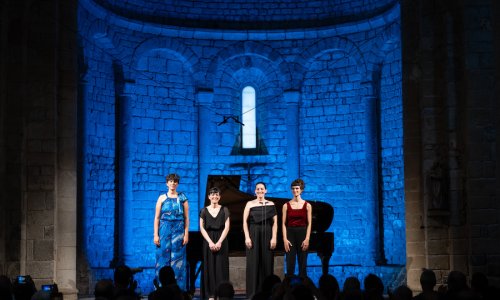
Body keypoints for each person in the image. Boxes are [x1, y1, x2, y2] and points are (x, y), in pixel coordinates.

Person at [154, 173, 190, 290]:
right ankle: (161, 288)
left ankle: (178, 290)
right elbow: (157, 218)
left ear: (177, 184)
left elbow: (186, 218)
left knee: (178, 259)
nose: (173, 183)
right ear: (167, 183)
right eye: (170, 181)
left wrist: (186, 234)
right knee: (162, 257)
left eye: (175, 181)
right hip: (164, 229)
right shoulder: (161, 198)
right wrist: (156, 235)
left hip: (179, 229)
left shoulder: (182, 198)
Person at [243, 182, 277, 299]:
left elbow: (275, 223)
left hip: (267, 233)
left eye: (262, 189)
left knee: (267, 263)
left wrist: (274, 237)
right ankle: (252, 294)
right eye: (258, 189)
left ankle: (268, 293)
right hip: (253, 233)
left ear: (266, 191)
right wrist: (247, 237)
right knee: (253, 263)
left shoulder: (271, 204)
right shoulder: (249, 204)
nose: (260, 191)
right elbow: (244, 222)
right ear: (255, 191)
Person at [199, 187, 230, 300]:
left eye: (217, 194)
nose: (214, 196)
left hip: (222, 239)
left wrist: (220, 242)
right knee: (209, 267)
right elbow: (202, 228)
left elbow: (227, 227)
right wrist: (210, 242)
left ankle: (222, 294)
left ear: (219, 197)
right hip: (208, 240)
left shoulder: (224, 209)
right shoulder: (204, 210)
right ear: (209, 197)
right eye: (212, 194)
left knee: (221, 267)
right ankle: (210, 294)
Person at [282, 178, 312, 278]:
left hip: (302, 233)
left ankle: (303, 289)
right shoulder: (286, 205)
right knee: (290, 264)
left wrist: (307, 239)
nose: (295, 190)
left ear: (301, 190)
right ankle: (289, 289)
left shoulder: (307, 205)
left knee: (302, 263)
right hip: (290, 233)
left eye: (297, 188)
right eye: (293, 188)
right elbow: (283, 224)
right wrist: (285, 239)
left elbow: (309, 224)